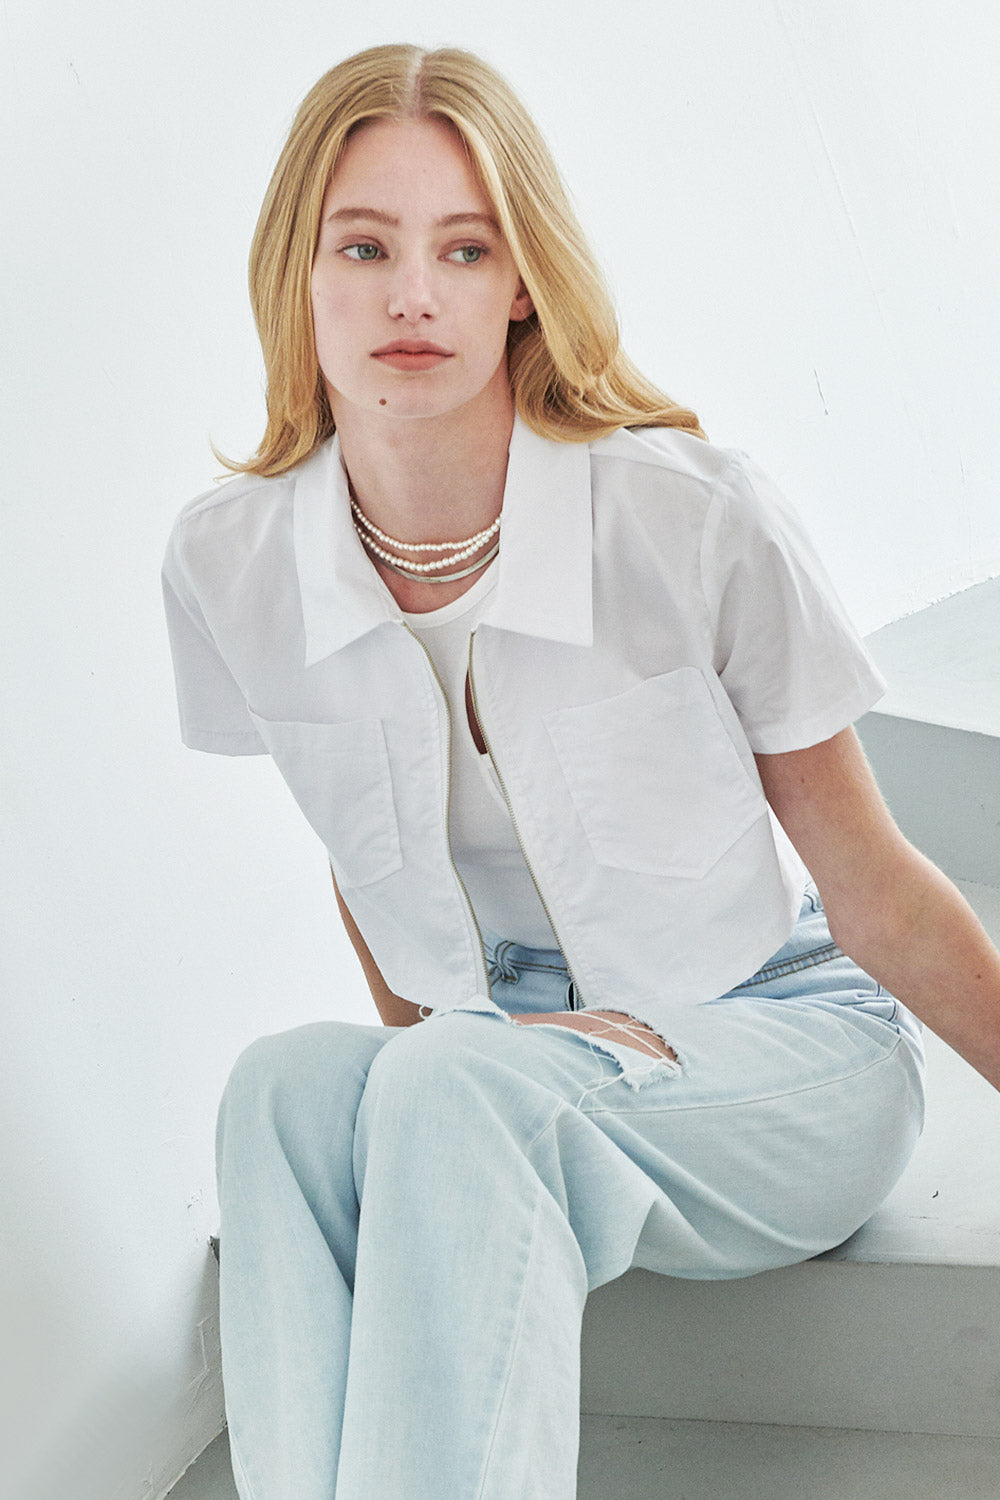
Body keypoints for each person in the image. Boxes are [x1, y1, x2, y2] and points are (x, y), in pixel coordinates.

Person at [161, 42, 1000, 1500]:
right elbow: (365, 868)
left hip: (775, 1043)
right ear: (297, 273)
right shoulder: (229, 563)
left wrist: (467, 1083)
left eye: (464, 248)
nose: (412, 296)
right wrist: (455, 1097)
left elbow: (875, 888)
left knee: (452, 1083)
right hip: (514, 1060)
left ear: (522, 281)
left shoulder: (687, 518)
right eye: (364, 247)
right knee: (281, 1090)